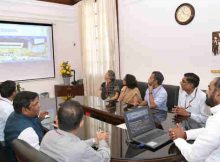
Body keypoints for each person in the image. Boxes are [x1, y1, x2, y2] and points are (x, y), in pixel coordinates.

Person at [40, 100, 110, 162]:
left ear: (57, 120)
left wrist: (94, 140)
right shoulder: (80, 148)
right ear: (81, 123)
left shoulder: (48, 135)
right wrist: (102, 141)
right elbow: (104, 159)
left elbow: (73, 146)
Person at [169, 77, 220, 162]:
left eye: (209, 89)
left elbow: (193, 156)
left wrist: (178, 138)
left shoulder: (217, 120)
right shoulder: (182, 93)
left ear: (218, 94)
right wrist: (185, 134)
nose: (207, 92)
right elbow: (209, 131)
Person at [4, 91, 48, 162]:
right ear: (25, 109)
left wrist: (39, 119)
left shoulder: (15, 113)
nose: (39, 105)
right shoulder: (27, 132)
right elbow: (37, 158)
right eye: (36, 103)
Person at [0, 80, 16, 146]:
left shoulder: (2, 103)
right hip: (3, 140)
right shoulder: (8, 108)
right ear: (13, 93)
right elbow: (13, 126)